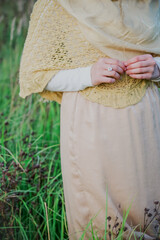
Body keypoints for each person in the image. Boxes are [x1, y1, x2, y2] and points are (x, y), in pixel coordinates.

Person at [19, 0, 160, 239]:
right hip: (90, 123)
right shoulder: (57, 4)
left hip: (146, 120)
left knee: (149, 209)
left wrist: (157, 67)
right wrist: (88, 74)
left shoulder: (150, 4)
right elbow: (35, 74)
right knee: (98, 220)